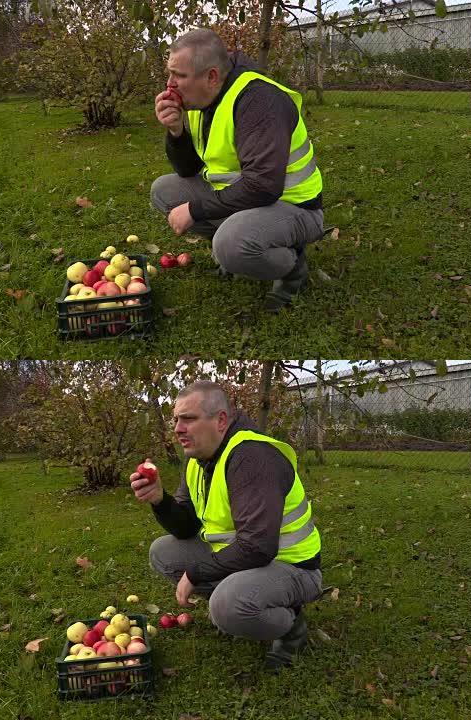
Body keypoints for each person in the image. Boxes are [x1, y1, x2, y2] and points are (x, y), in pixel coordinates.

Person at [130, 381, 322, 670]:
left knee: (227, 605)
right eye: (176, 420)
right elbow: (185, 527)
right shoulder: (198, 458)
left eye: (189, 419)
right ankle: (243, 600)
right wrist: (160, 500)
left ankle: (291, 624)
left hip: (293, 567)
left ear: (220, 420)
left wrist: (196, 573)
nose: (178, 429)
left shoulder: (252, 457)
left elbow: (258, 546)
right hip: (250, 558)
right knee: (163, 552)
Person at [151, 28, 324, 311]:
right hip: (249, 199)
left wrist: (194, 210)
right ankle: (236, 247)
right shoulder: (202, 99)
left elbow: (264, 186)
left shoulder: (259, 102)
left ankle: (292, 267)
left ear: (212, 76)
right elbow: (188, 169)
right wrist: (176, 131)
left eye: (179, 76)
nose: (170, 85)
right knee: (164, 190)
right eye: (170, 73)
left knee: (231, 244)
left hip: (294, 207)